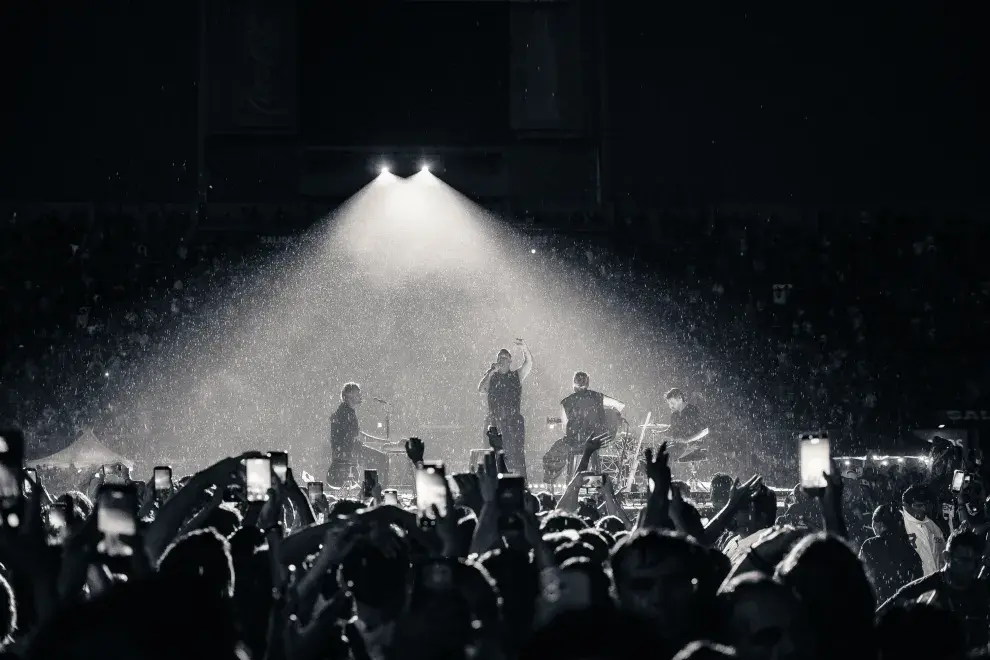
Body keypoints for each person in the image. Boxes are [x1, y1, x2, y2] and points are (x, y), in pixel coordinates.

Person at [877, 529, 990, 652]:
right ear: (947, 557)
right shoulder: (919, 591)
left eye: (976, 562)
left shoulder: (983, 590)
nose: (972, 567)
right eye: (965, 561)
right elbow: (877, 624)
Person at [478, 339, 532, 477]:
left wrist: (525, 349)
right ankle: (496, 483)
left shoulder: (516, 376)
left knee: (515, 456)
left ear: (510, 361)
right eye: (499, 358)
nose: (501, 360)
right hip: (495, 421)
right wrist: (490, 372)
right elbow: (481, 389)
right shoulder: (492, 377)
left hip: (513, 422)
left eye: (505, 358)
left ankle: (519, 484)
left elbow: (528, 364)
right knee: (495, 455)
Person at [858, 504, 924, 603]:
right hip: (905, 608)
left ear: (879, 524)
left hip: (879, 605)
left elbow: (859, 577)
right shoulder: (910, 550)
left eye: (873, 521)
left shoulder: (869, 546)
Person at [327, 382, 385, 486]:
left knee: (375, 459)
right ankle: (376, 491)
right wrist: (379, 443)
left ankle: (371, 489)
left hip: (348, 450)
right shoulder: (345, 412)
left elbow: (354, 434)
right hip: (349, 451)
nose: (360, 396)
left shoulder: (346, 411)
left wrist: (381, 442)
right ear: (349, 396)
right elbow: (352, 436)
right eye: (357, 394)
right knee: (381, 458)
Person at [901, 484, 947, 576]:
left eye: (926, 505)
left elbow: (943, 553)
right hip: (914, 585)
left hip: (935, 582)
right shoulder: (899, 525)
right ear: (906, 505)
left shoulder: (932, 526)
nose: (924, 509)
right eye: (919, 506)